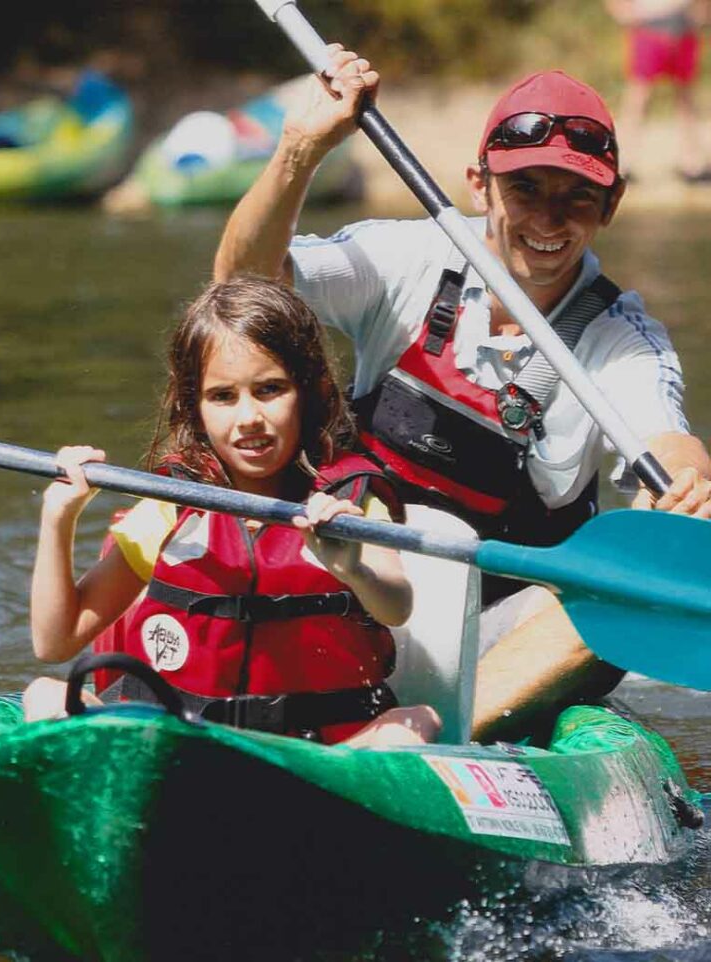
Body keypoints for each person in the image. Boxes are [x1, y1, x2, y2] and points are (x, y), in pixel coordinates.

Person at [213, 58, 711, 740]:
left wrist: (686, 485)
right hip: (353, 588)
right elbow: (240, 288)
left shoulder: (623, 339)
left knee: (622, 595)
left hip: (495, 645)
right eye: (525, 188)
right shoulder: (404, 258)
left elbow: (669, 442)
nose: (548, 219)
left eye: (577, 196)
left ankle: (428, 742)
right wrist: (301, 149)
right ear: (479, 184)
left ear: (611, 204)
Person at [25, 275, 442, 747]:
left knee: (417, 722)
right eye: (223, 396)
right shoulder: (171, 508)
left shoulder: (347, 503)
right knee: (46, 694)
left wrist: (354, 569)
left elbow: (396, 607)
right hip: (174, 742)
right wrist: (59, 518)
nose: (248, 418)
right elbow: (55, 642)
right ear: (195, 407)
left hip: (313, 752)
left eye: (270, 389)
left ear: (310, 391)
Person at [604, 0, 710, 181]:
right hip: (649, 30)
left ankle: (692, 162)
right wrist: (625, 14)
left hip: (683, 30)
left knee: (686, 99)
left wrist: (702, 14)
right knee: (638, 98)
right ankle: (624, 162)